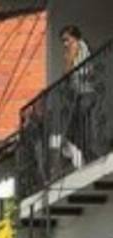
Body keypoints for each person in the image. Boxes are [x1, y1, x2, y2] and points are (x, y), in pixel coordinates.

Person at [61, 24, 96, 166]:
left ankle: (85, 154)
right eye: (63, 40)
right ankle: (87, 154)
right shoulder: (84, 46)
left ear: (73, 37)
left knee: (75, 126)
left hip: (83, 93)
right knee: (80, 125)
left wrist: (67, 58)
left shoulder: (75, 46)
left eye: (66, 39)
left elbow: (67, 71)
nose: (65, 43)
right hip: (86, 92)